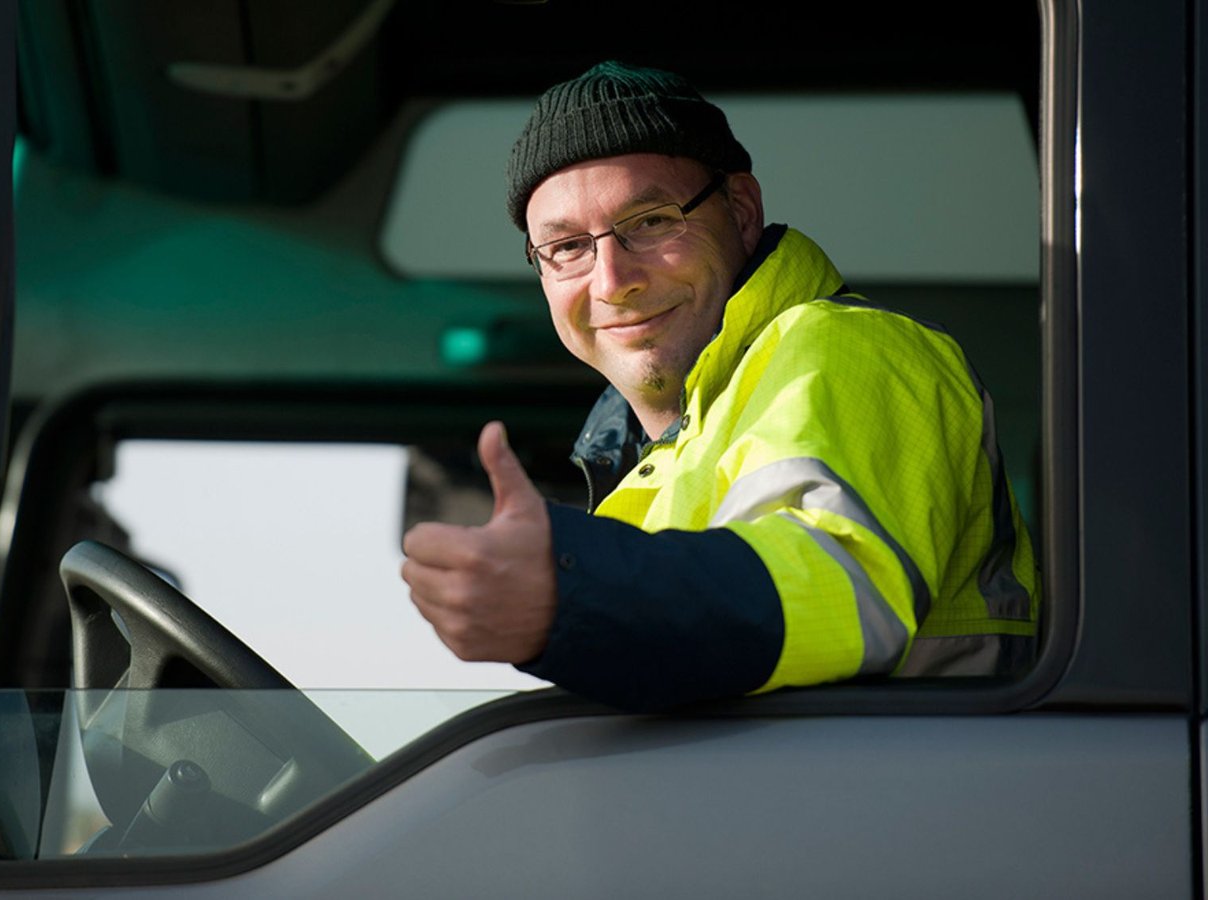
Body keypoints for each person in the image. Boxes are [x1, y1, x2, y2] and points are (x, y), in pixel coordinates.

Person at [400, 61, 1039, 711]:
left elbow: (838, 581)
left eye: (650, 221)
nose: (612, 279)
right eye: (566, 247)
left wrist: (566, 590)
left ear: (740, 212)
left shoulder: (846, 348)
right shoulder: (658, 454)